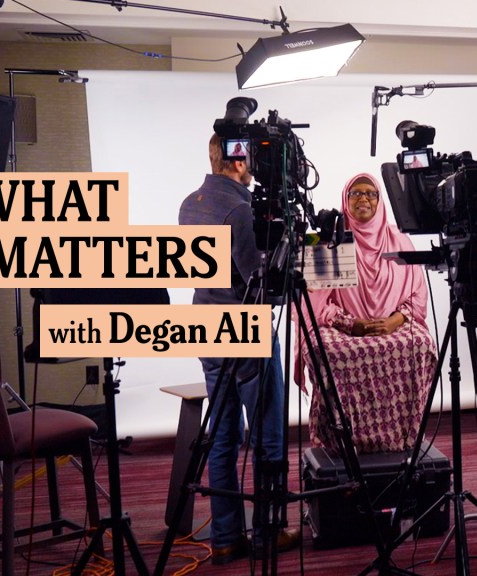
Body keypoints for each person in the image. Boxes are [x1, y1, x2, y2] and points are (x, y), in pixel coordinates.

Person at [178, 133, 300, 565]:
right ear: (237, 160)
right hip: (244, 329)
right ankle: (269, 531)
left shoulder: (190, 203)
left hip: (204, 325)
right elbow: (256, 281)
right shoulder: (240, 209)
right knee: (268, 433)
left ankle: (227, 537)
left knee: (222, 436)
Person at [295, 173, 437, 454]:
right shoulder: (331, 241)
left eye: (370, 194)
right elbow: (314, 304)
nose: (363, 199)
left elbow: (417, 294)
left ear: (380, 200)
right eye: (355, 194)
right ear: (345, 201)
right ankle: (340, 445)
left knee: (420, 343)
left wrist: (394, 321)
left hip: (393, 323)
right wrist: (350, 324)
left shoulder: (398, 240)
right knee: (328, 352)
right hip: (343, 328)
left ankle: (403, 439)